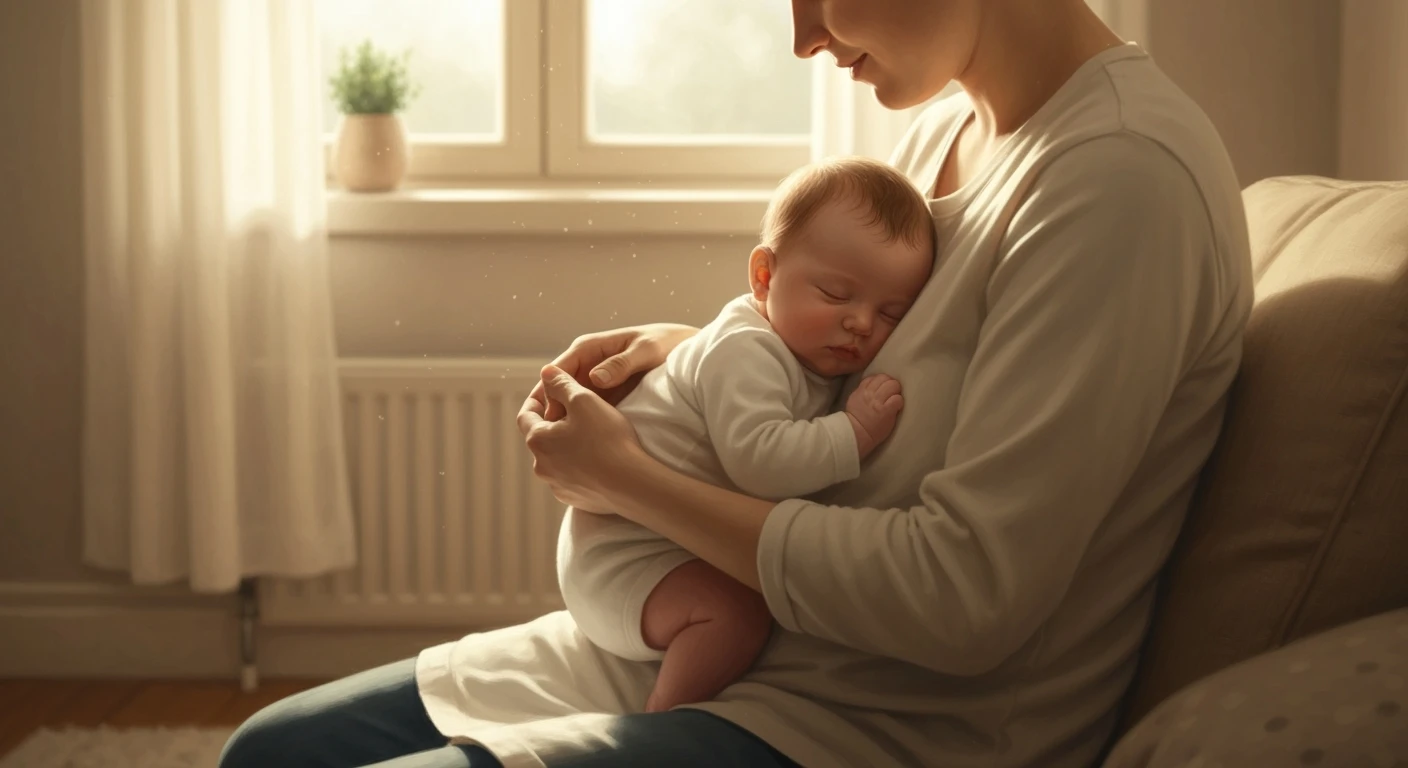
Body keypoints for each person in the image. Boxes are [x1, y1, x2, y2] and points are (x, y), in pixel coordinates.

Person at [219, 0, 1253, 765]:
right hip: (764, 648)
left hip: (878, 728)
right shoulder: (948, 132)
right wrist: (707, 356)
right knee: (269, 752)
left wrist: (631, 481)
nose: (801, 36)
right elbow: (884, 381)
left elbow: (966, 597)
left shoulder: (1118, 182)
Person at [558, 156, 933, 716]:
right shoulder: (747, 348)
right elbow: (762, 463)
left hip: (661, 544)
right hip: (623, 558)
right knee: (735, 615)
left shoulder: (800, 354)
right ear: (763, 275)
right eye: (836, 294)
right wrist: (852, 431)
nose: (861, 323)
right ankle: (661, 729)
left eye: (891, 313)